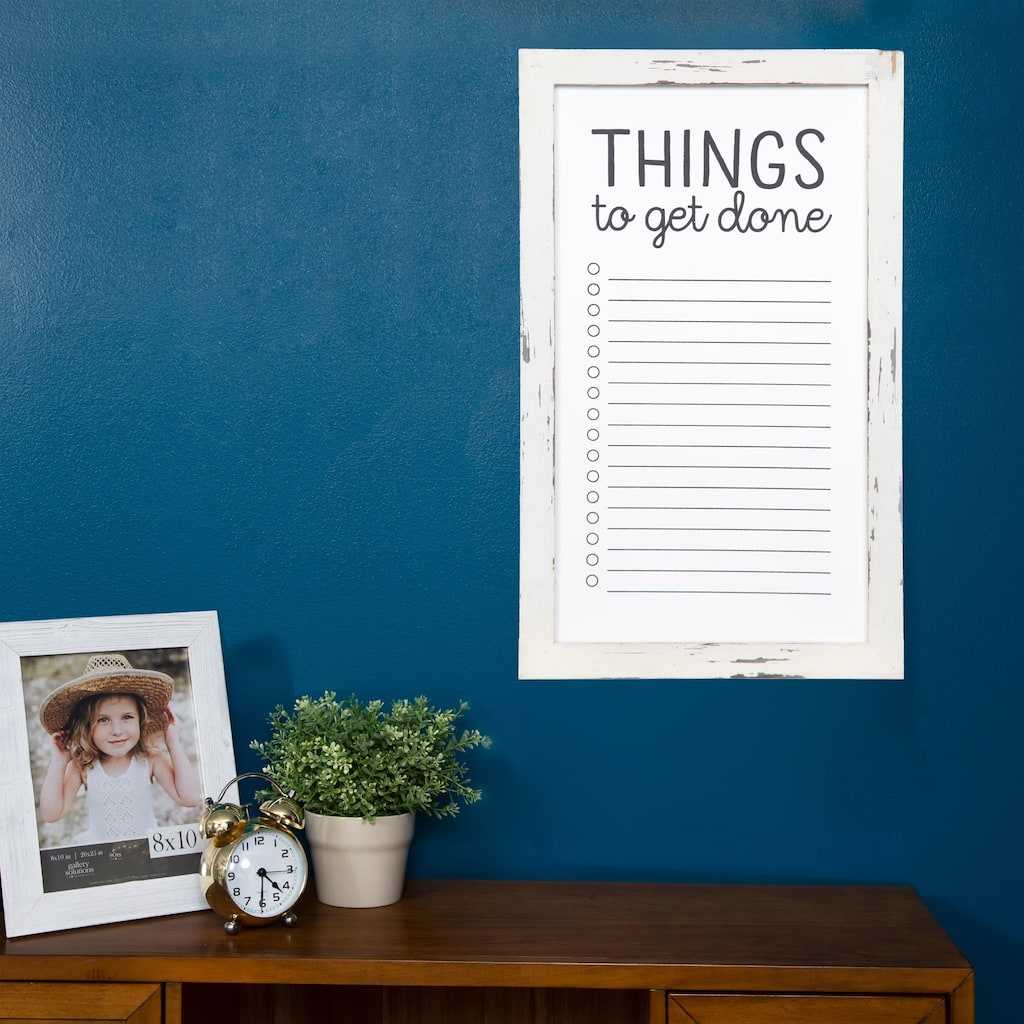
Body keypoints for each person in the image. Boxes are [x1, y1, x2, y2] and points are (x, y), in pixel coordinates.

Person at [38, 653, 202, 843]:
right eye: (103, 720)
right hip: (104, 857)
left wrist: (173, 742)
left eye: (127, 717)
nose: (117, 730)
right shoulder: (82, 767)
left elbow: (189, 798)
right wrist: (58, 763)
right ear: (86, 727)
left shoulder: (150, 759)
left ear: (141, 721)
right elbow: (51, 814)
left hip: (146, 853)